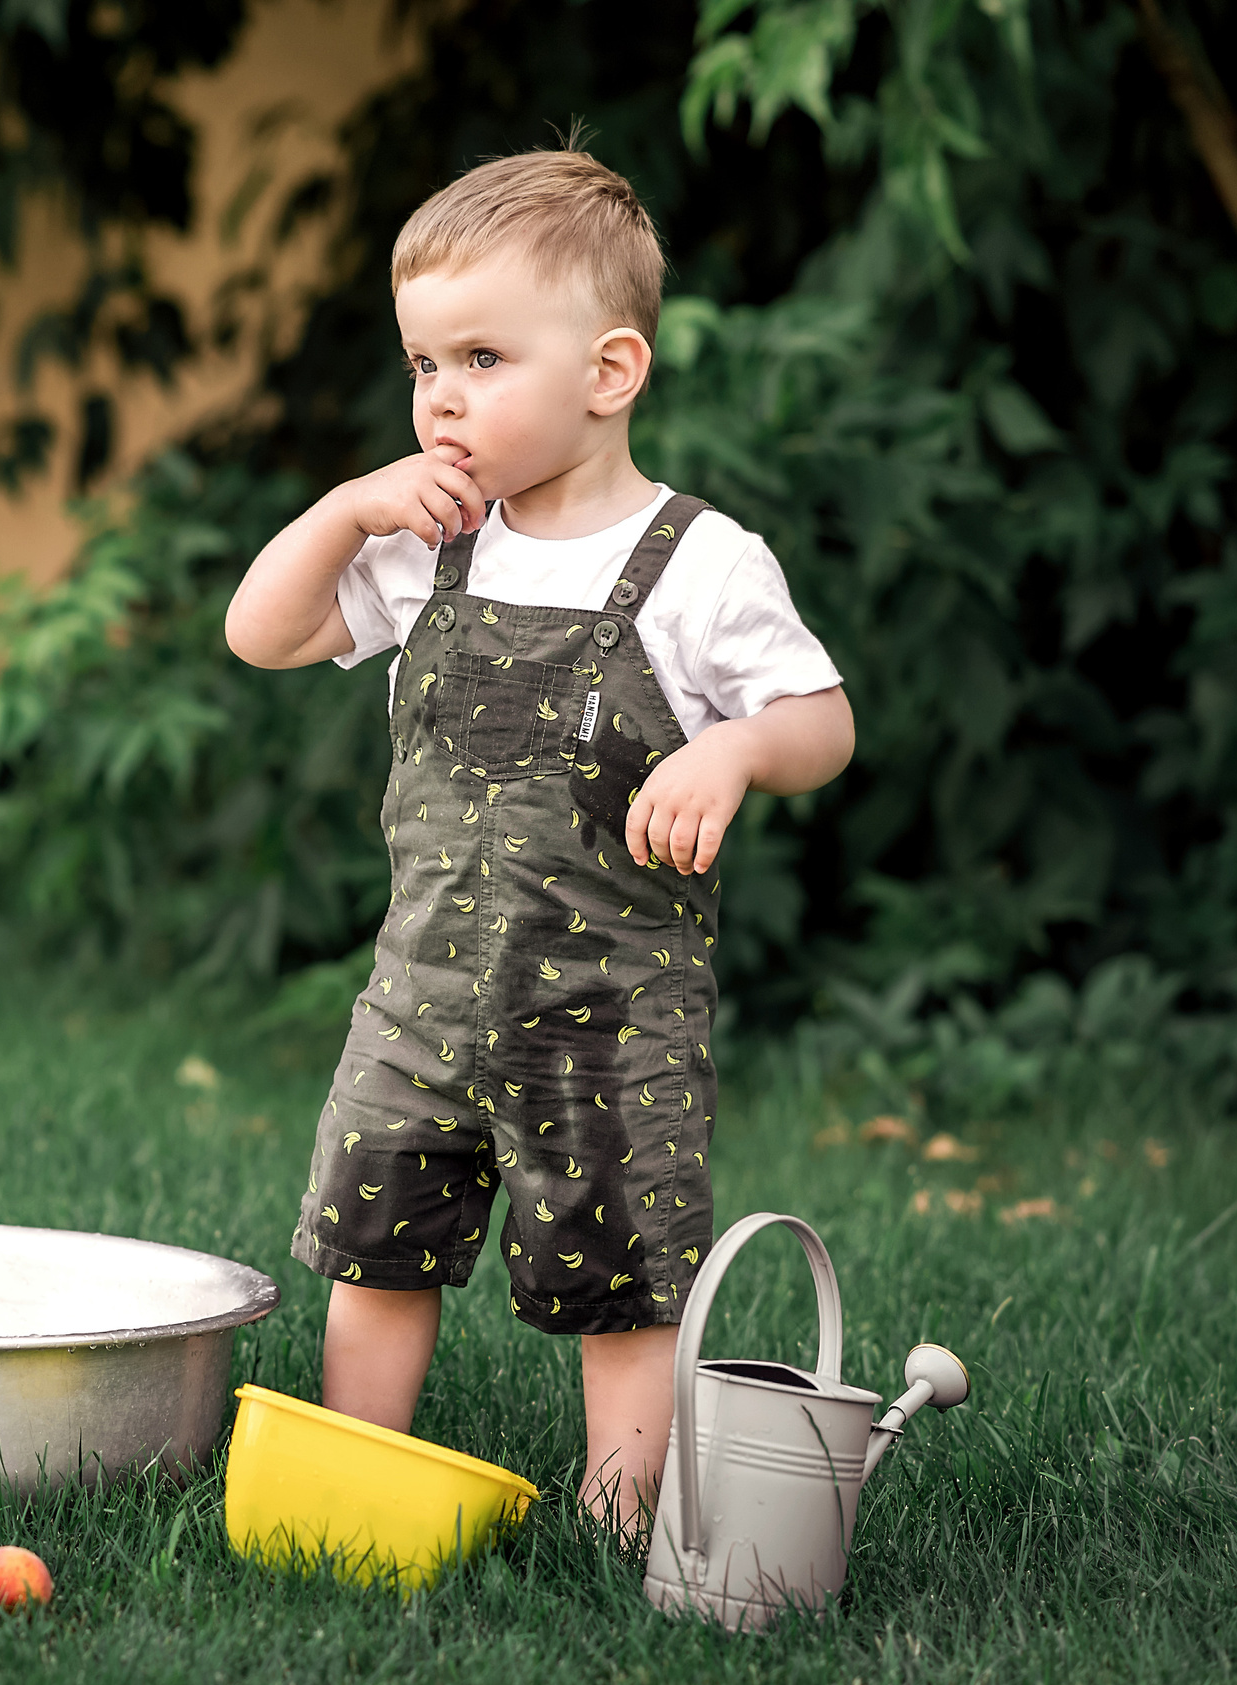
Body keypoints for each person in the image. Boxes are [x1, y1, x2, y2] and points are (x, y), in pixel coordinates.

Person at [223, 147, 854, 1530]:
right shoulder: (431, 542)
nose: (441, 397)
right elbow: (262, 634)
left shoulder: (701, 562)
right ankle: (351, 1479)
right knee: (376, 1247)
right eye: (421, 363)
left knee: (623, 1269)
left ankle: (621, 1511)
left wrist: (735, 748)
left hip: (610, 1013)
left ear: (609, 372)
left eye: (483, 357)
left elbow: (823, 721)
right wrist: (342, 511)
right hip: (423, 994)